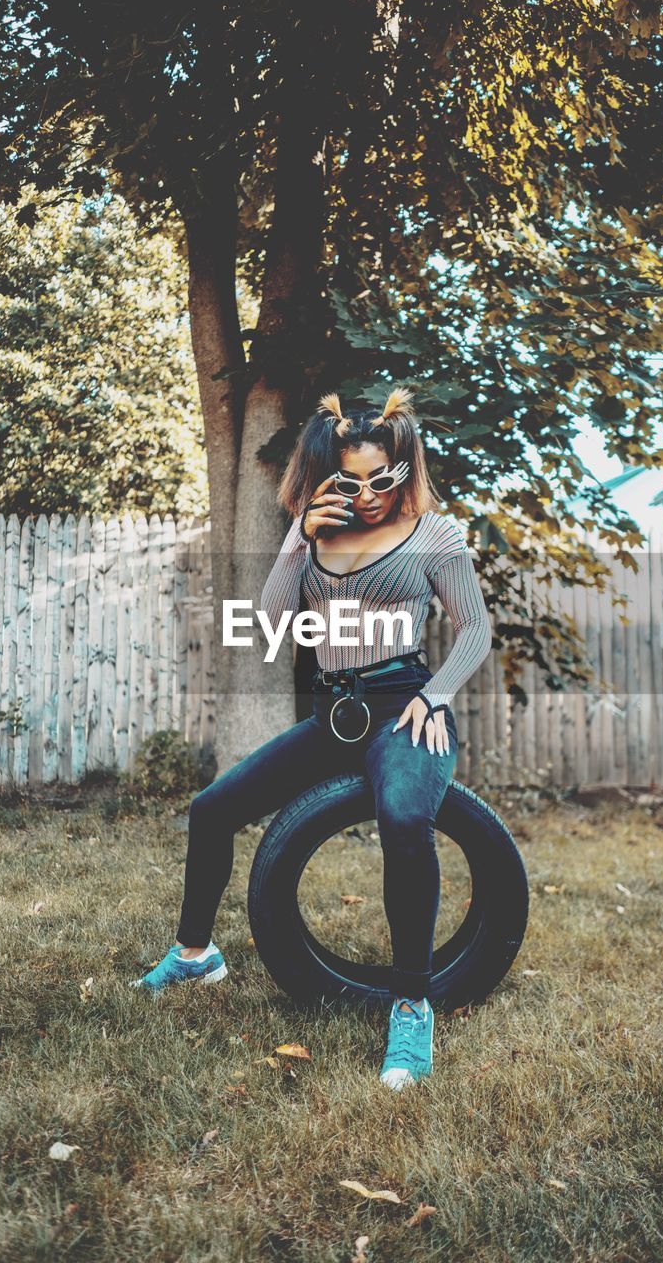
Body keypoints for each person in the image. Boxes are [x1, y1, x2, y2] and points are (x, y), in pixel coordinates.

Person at [131, 386, 492, 1091]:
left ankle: (411, 1003)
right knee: (211, 810)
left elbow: (473, 628)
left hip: (404, 709)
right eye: (349, 481)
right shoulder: (316, 533)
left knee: (403, 815)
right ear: (326, 477)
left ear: (403, 468)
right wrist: (300, 533)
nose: (368, 494)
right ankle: (195, 955)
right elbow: (270, 623)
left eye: (382, 478)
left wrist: (435, 694)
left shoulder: (433, 536)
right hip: (334, 714)